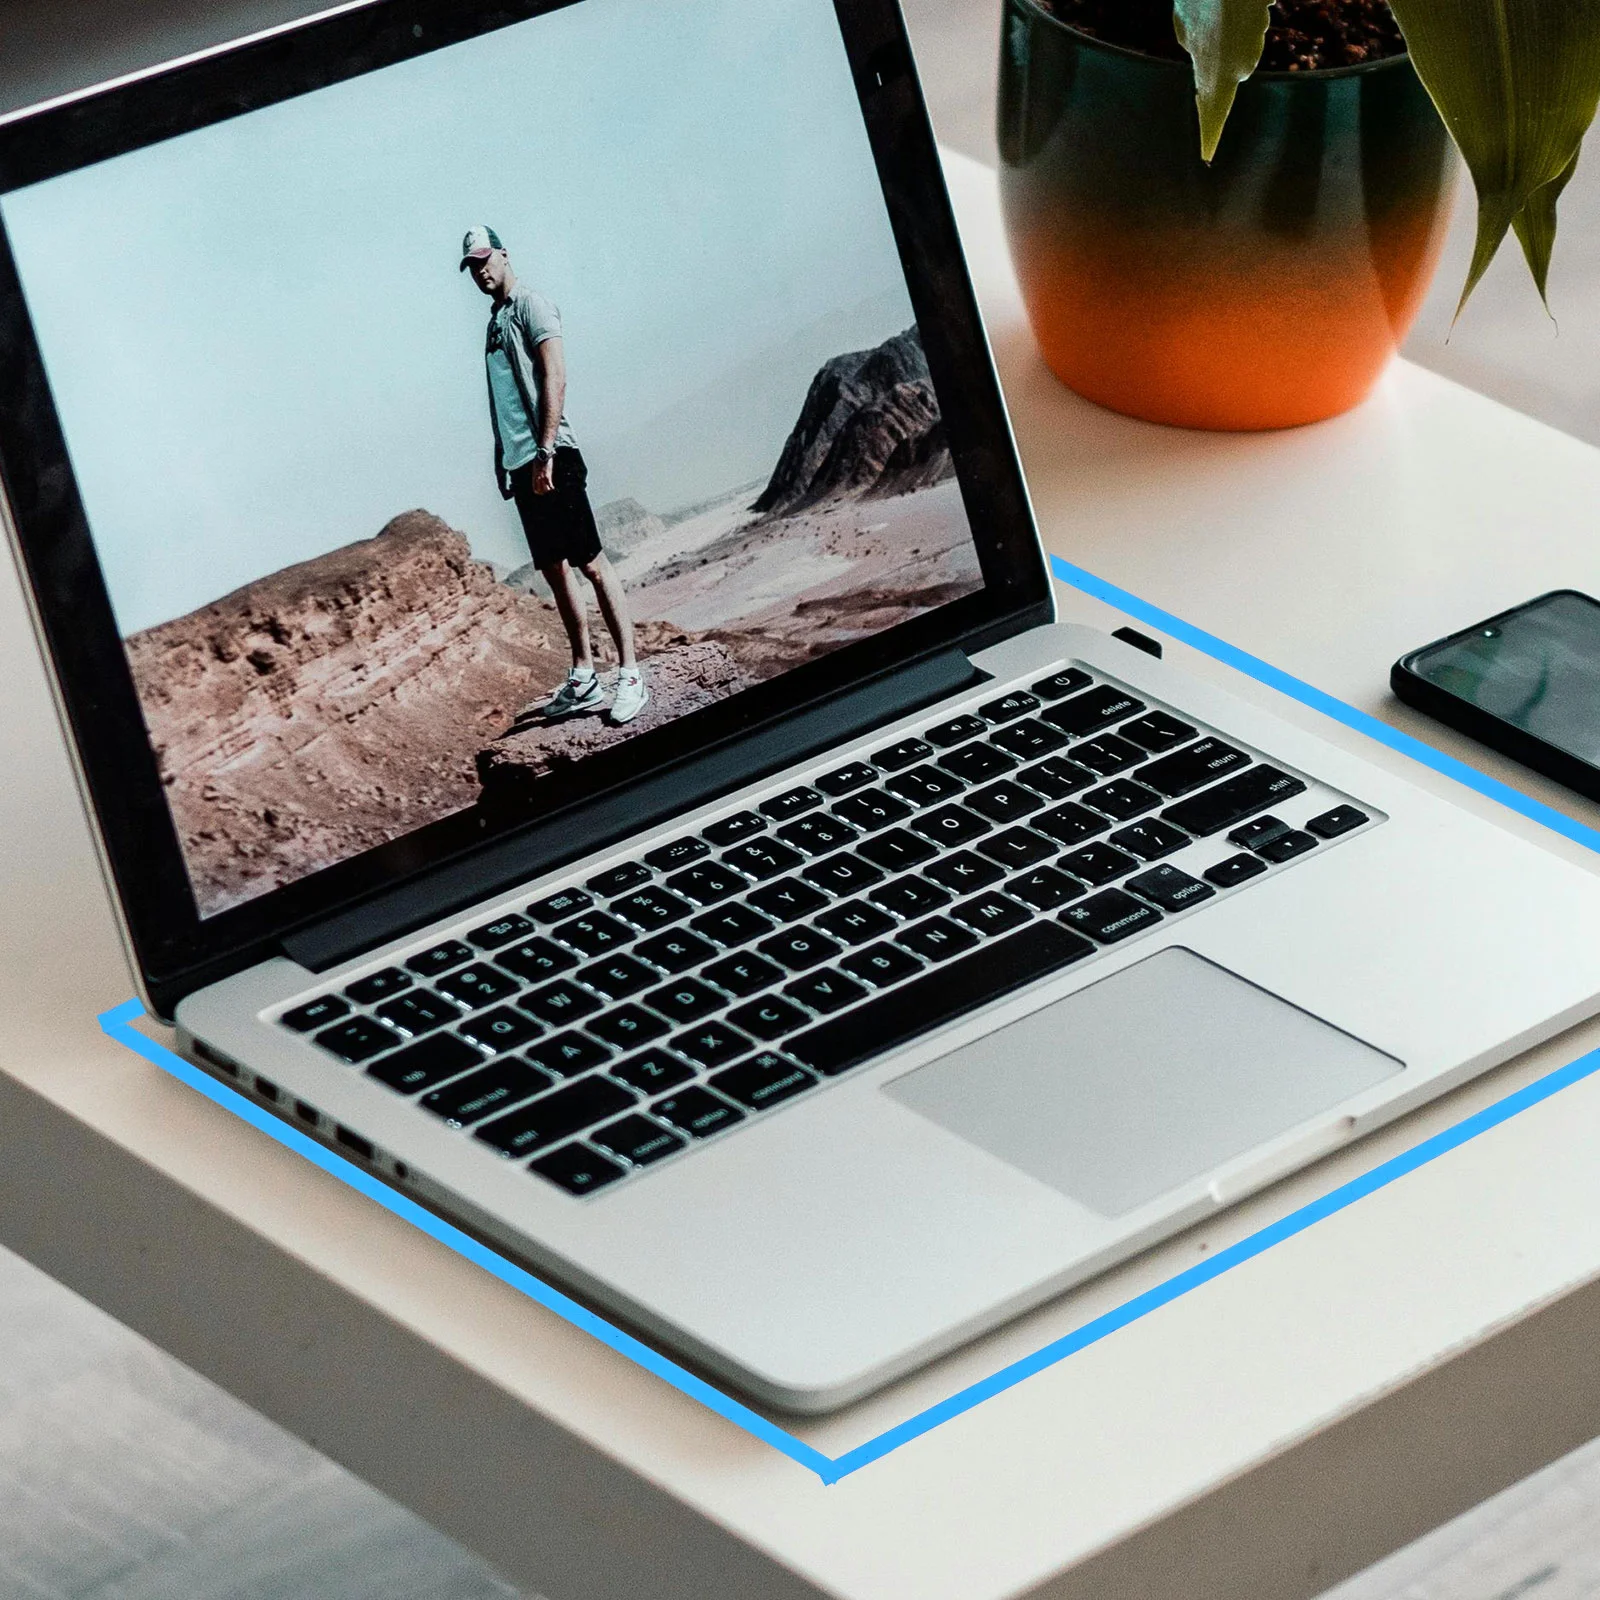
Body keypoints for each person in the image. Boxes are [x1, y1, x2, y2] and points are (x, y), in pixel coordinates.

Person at [459, 225, 648, 725]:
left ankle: (629, 673)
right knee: (553, 568)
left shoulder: (532, 305)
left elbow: (555, 375)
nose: (480, 271)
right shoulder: (494, 322)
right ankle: (584, 674)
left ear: (503, 253)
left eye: (484, 260)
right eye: (471, 266)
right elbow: (503, 397)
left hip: (553, 455)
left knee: (589, 561)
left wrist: (544, 453)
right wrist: (507, 459)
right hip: (522, 464)